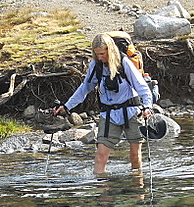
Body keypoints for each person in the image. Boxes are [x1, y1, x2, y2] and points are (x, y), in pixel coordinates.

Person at [55, 33, 154, 176]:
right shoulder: (96, 65)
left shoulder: (124, 63)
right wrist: (67, 107)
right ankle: (102, 193)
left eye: (102, 54)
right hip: (109, 115)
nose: (100, 57)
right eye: (97, 54)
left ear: (110, 50)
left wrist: (147, 107)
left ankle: (137, 192)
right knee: (100, 155)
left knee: (134, 156)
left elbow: (142, 87)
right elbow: (85, 88)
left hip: (132, 112)